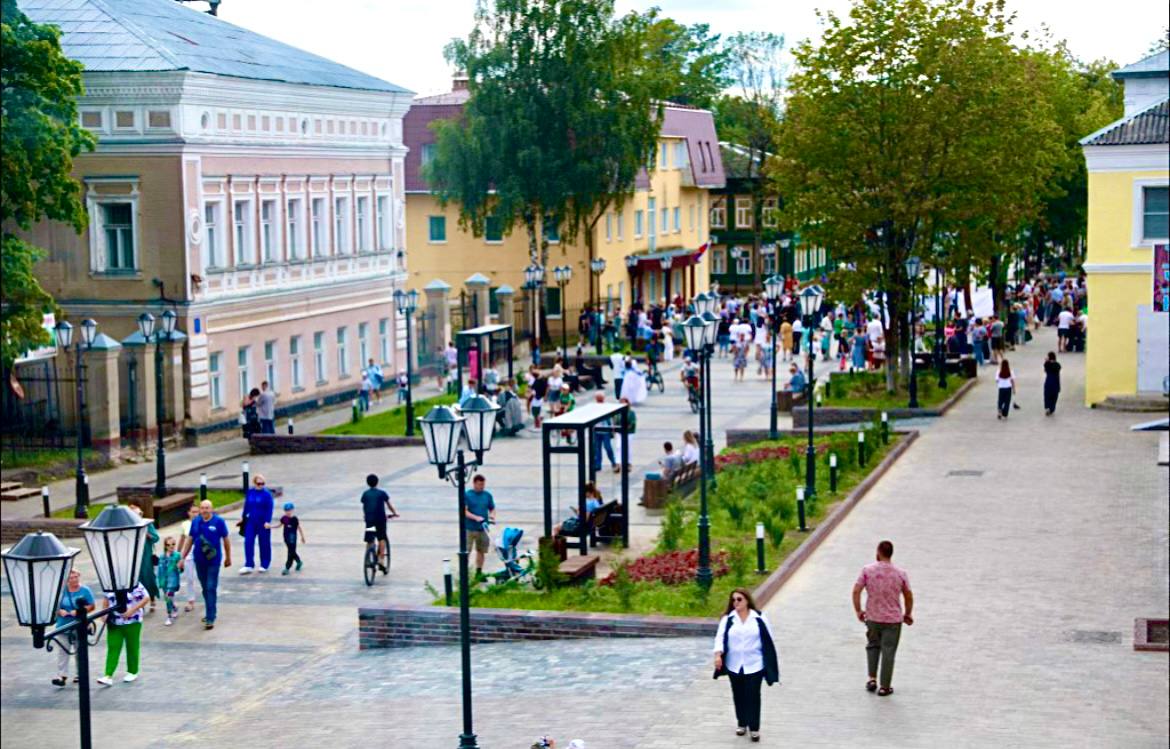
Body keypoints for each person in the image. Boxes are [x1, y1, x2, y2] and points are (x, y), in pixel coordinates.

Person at [712, 587, 779, 742]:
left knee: (753, 695)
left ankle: (754, 728)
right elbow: (719, 638)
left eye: (739, 599)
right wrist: (718, 655)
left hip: (754, 664)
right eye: (733, 600)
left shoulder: (759, 618)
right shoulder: (728, 619)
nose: (736, 602)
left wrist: (768, 661)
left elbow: (768, 639)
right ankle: (742, 723)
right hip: (734, 664)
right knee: (739, 694)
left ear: (747, 600)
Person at [852, 540, 913, 696]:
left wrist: (859, 610)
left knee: (872, 646)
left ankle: (872, 679)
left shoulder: (867, 570)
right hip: (893, 620)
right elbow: (908, 595)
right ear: (891, 553)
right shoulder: (900, 573)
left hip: (872, 617)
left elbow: (856, 591)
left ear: (878, 552)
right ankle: (885, 687)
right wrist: (908, 613)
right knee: (888, 651)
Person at [179, 499, 232, 630]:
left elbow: (226, 540)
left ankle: (210, 617)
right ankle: (210, 610)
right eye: (202, 508)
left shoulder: (219, 522)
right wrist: (182, 557)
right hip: (199, 560)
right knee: (204, 587)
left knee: (210, 587)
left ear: (212, 509)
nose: (204, 510)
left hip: (214, 561)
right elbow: (190, 539)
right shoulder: (196, 521)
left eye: (207, 508)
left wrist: (228, 557)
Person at [95, 580, 149, 686]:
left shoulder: (134, 583)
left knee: (132, 646)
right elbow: (106, 599)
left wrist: (132, 610)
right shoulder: (109, 583)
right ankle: (108, 675)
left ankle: (132, 671)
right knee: (113, 646)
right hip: (114, 621)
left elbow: (146, 598)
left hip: (133, 620)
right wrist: (104, 614)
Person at [52, 569, 95, 687]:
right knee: (62, 651)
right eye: (71, 578)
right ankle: (62, 675)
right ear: (67, 579)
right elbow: (54, 604)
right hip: (63, 625)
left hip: (79, 625)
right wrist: (59, 611)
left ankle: (79, 674)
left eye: (76, 577)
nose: (74, 579)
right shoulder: (61, 591)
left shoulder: (85, 590)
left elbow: (92, 606)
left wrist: (79, 611)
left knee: (79, 650)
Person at [360, 474, 398, 572]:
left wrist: (366, 516)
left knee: (370, 539)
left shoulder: (365, 494)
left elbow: (364, 506)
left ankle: (368, 559)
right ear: (377, 482)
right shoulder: (382, 493)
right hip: (380, 520)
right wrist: (394, 513)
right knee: (382, 538)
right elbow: (389, 505)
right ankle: (381, 560)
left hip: (369, 521)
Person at [127, 504, 159, 613]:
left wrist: (147, 534)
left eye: (138, 514)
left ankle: (152, 598)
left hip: (146, 555)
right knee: (136, 579)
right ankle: (139, 602)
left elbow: (156, 538)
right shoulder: (128, 525)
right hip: (133, 556)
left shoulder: (147, 524)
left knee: (148, 576)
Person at [240, 474, 274, 574]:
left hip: (263, 522)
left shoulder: (267, 494)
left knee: (264, 543)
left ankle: (265, 563)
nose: (261, 485)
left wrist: (268, 521)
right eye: (259, 483)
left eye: (263, 483)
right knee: (248, 542)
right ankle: (249, 564)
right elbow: (246, 506)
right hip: (251, 521)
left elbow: (269, 508)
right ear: (254, 483)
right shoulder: (250, 492)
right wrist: (243, 518)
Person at [463, 474, 496, 578]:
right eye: (479, 484)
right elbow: (464, 511)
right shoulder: (467, 495)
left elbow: (492, 508)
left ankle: (479, 572)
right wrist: (476, 517)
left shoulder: (487, 495)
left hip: (483, 528)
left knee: (481, 551)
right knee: (466, 551)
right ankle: (464, 573)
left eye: (483, 484)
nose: (482, 486)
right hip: (470, 528)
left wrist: (492, 516)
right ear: (474, 484)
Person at [269, 501, 306, 575]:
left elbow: (299, 528)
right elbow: (279, 525)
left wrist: (302, 537)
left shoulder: (294, 519)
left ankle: (287, 568)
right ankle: (299, 562)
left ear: (292, 510)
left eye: (289, 510)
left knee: (290, 552)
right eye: (286, 510)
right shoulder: (284, 518)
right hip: (286, 537)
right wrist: (270, 526)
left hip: (293, 537)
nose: (288, 512)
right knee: (291, 551)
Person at [156, 537, 182, 626]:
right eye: (168, 545)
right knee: (168, 598)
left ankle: (169, 616)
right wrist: (159, 582)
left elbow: (181, 569)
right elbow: (159, 570)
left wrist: (180, 567)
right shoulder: (162, 556)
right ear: (165, 546)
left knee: (168, 596)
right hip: (164, 581)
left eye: (173, 544)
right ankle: (174, 607)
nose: (171, 546)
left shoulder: (177, 555)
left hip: (173, 582)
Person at [590, 392, 619, 474]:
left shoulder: (607, 407)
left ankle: (613, 462)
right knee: (597, 449)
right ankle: (598, 464)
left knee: (608, 447)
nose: (599, 400)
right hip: (596, 431)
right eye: (598, 398)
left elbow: (612, 418)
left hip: (605, 430)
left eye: (600, 398)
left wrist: (612, 429)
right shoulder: (594, 407)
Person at [179, 504, 199, 613]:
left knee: (202, 577)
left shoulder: (201, 522)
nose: (195, 514)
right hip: (188, 552)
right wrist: (178, 554)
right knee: (189, 578)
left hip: (200, 551)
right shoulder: (185, 524)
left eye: (197, 512)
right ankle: (191, 601)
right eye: (193, 512)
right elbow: (182, 539)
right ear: (189, 513)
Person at [1043, 351, 1061, 416]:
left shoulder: (1047, 364)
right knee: (1054, 397)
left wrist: (1046, 361)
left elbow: (1045, 370)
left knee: (1047, 396)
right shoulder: (1058, 365)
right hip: (1056, 383)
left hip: (1048, 382)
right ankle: (1052, 408)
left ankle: (1047, 407)